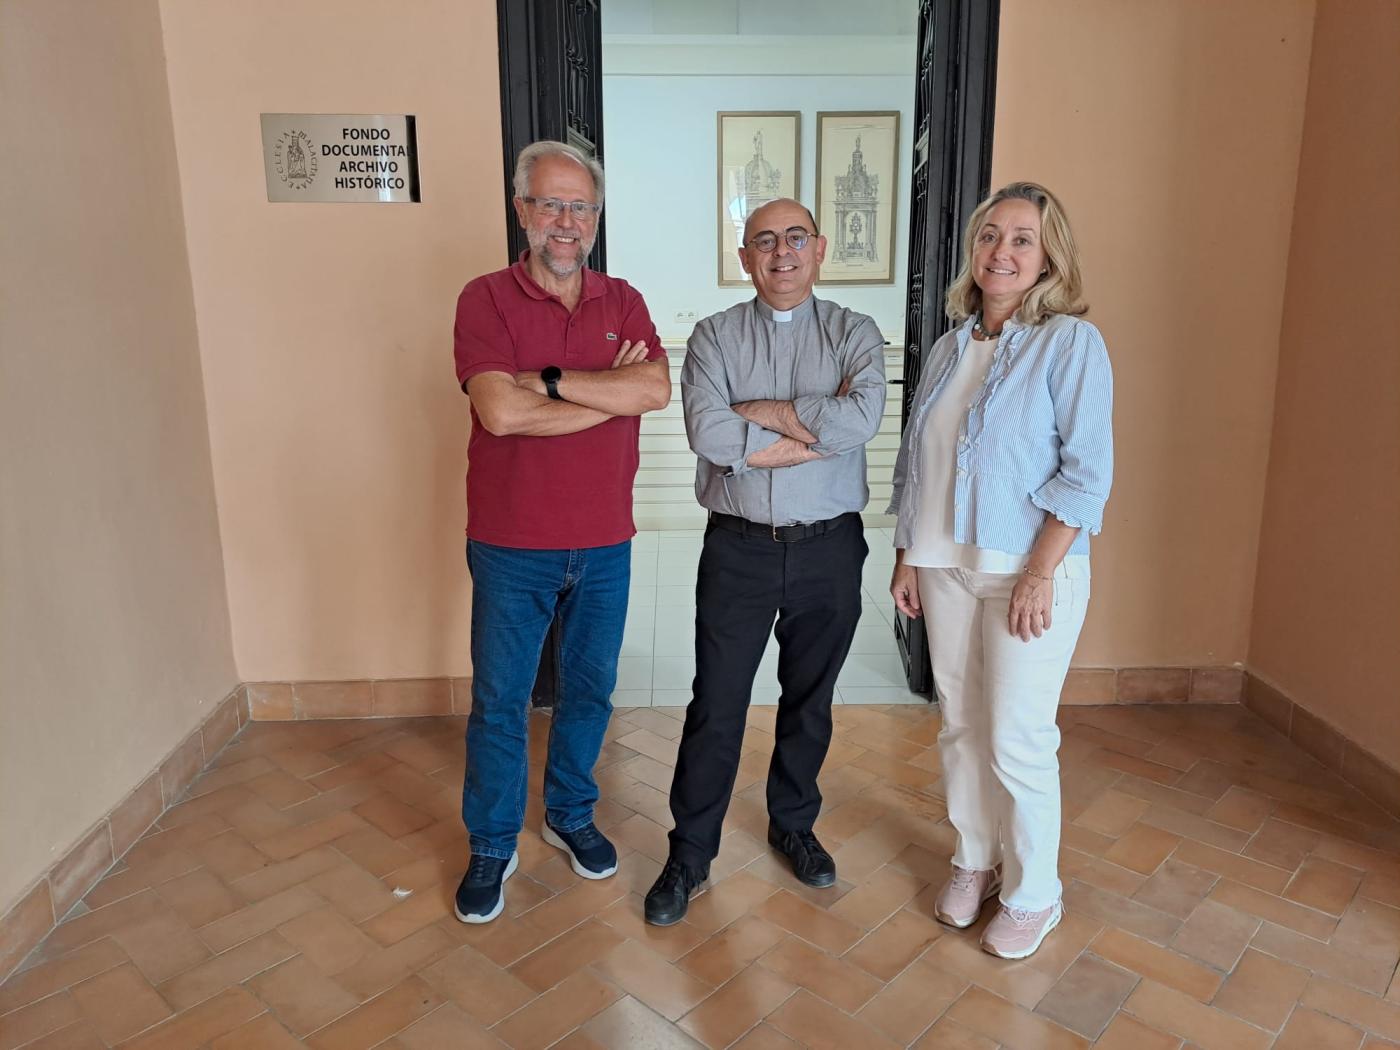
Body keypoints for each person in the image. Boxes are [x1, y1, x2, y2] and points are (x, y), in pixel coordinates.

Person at [644, 197, 886, 925]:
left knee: (809, 701)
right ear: (745, 257)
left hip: (829, 548)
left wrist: (762, 412)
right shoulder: (714, 338)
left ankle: (794, 824)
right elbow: (710, 434)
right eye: (763, 241)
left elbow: (862, 419)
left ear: (818, 251)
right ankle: (689, 852)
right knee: (716, 705)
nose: (781, 252)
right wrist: (814, 424)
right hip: (739, 550)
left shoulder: (857, 333)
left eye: (795, 238)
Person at [887, 182, 1113, 959]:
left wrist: (1040, 573)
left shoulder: (1070, 345)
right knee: (959, 723)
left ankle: (1035, 892)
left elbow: (1087, 473)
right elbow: (920, 464)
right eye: (990, 236)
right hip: (945, 566)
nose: (1002, 252)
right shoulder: (952, 349)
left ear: (1049, 255)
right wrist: (908, 557)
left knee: (1017, 736)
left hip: (1028, 569)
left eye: (1022, 238)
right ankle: (976, 859)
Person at [450, 141, 670, 923]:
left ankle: (570, 814)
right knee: (501, 701)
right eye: (550, 204)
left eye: (580, 206)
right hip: (511, 544)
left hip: (606, 542)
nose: (565, 221)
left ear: (596, 217)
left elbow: (654, 390)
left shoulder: (624, 299)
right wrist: (609, 395)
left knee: (589, 692)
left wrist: (544, 380)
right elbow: (498, 412)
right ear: (522, 212)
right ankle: (491, 841)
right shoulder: (485, 299)